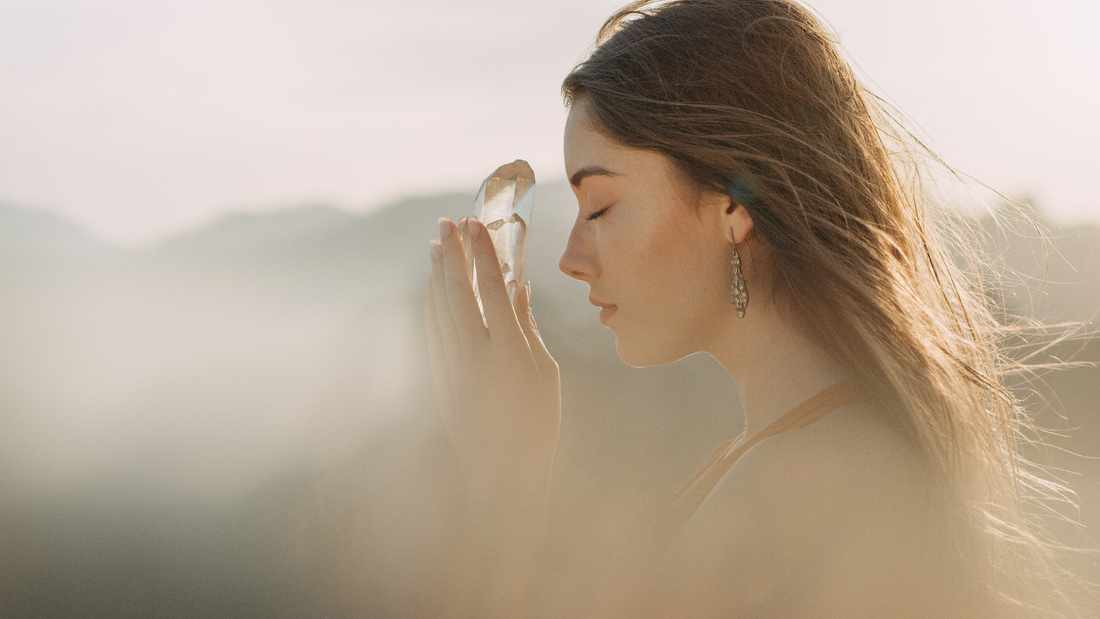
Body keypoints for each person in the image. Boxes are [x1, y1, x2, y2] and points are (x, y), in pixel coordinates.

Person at [425, 1, 1090, 617]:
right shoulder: (787, 447)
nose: (572, 257)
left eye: (599, 206)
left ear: (733, 201)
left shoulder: (809, 480)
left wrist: (506, 494)